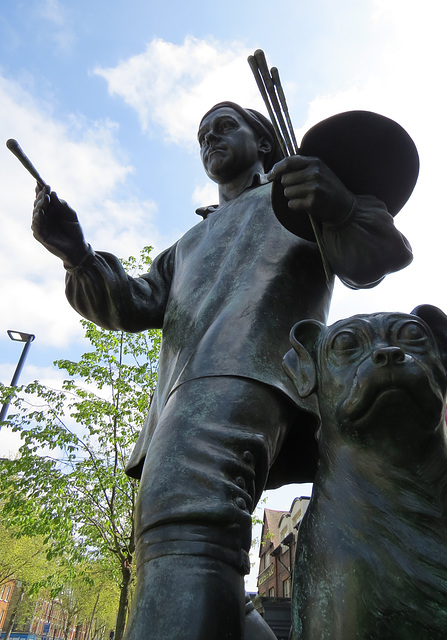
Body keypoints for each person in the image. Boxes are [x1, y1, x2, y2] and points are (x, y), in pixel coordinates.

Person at [32, 102, 413, 640]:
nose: (210, 137)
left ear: (263, 143)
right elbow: (132, 302)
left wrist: (342, 206)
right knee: (196, 552)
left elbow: (376, 256)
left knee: (185, 523)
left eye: (225, 125)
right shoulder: (186, 245)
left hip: (252, 375)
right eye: (201, 134)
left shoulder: (299, 194)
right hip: (184, 397)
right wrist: (77, 255)